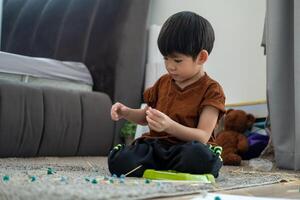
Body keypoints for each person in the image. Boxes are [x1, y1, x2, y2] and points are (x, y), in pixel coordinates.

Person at [108, 11, 225, 178]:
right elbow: (145, 116)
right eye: (165, 59)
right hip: (156, 147)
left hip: (187, 148)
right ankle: (165, 166)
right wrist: (125, 112)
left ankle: (167, 166)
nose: (170, 66)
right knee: (120, 161)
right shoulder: (163, 82)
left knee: (198, 157)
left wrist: (170, 126)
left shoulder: (212, 90)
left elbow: (202, 136)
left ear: (201, 57)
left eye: (177, 61)